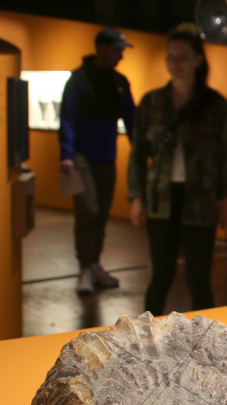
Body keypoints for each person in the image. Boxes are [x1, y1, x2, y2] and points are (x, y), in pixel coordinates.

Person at [127, 24, 227, 316]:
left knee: (199, 279)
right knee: (160, 276)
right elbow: (138, 152)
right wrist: (136, 196)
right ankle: (145, 339)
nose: (175, 63)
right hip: (161, 198)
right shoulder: (153, 103)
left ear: (197, 60)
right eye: (171, 57)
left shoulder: (213, 105)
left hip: (200, 199)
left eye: (182, 57)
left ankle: (206, 342)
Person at [58, 27, 136, 295]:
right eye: (118, 50)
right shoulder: (79, 79)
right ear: (102, 49)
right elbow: (67, 118)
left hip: (107, 157)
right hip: (80, 158)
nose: (121, 56)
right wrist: (67, 154)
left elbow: (131, 119)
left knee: (101, 212)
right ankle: (84, 267)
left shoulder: (120, 82)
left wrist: (140, 149)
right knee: (87, 210)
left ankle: (94, 265)